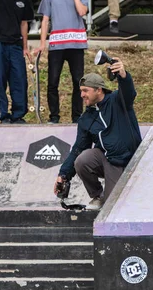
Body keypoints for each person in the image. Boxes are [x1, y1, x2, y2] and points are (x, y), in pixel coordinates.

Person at [54, 65, 142, 211]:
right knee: (82, 159)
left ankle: (110, 199)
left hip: (126, 159)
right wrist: (63, 175)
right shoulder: (86, 119)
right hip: (108, 160)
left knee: (113, 206)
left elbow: (129, 92)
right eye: (81, 91)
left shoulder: (117, 101)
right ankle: (98, 196)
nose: (81, 95)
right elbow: (78, 148)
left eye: (85, 91)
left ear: (98, 90)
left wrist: (123, 75)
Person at [36, 0, 88, 124]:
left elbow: (82, 11)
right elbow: (45, 21)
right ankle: (54, 116)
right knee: (53, 81)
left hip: (76, 44)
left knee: (78, 81)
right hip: (57, 44)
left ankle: (77, 116)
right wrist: (42, 43)